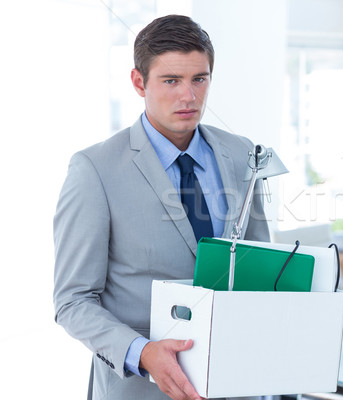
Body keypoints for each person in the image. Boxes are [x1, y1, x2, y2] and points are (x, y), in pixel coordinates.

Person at [53, 15, 269, 400]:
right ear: (139, 82)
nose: (189, 97)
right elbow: (73, 301)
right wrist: (144, 353)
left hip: (235, 383)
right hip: (140, 389)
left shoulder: (241, 154)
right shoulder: (95, 170)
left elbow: (260, 264)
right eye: (171, 81)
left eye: (199, 79)